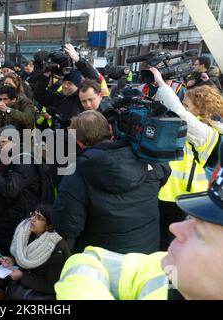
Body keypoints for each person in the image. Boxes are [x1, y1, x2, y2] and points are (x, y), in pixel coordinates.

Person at [55, 165, 223, 300]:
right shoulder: (164, 268)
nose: (175, 228)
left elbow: (69, 227)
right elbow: (90, 260)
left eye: (199, 232)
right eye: (189, 219)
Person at [51, 110, 170, 254]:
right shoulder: (145, 158)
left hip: (102, 263)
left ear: (79, 143)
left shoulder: (76, 174)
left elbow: (67, 227)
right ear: (110, 129)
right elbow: (164, 173)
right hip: (145, 258)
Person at [153, 67, 223, 250]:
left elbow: (179, 113)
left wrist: (161, 83)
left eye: (187, 105)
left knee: (171, 244)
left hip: (184, 197)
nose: (183, 107)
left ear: (201, 110)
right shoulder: (199, 130)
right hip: (170, 194)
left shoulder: (206, 134)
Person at [0, 125, 42, 255]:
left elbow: (10, 189)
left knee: (13, 251)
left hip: (19, 216)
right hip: (8, 214)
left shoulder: (24, 160)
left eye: (4, 141)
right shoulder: (7, 157)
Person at [0, 205, 70, 300]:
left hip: (42, 292)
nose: (32, 219)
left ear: (49, 225)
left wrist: (22, 276)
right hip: (26, 285)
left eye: (39, 217)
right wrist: (13, 260)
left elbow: (51, 285)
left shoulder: (57, 247)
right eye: (33, 214)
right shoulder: (29, 233)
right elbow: (25, 259)